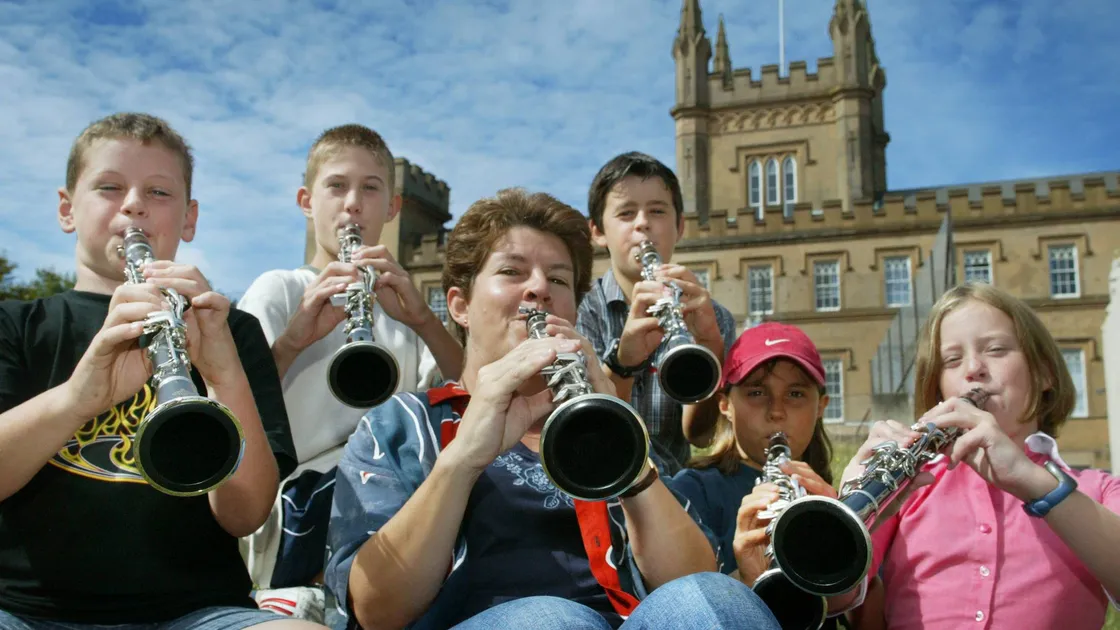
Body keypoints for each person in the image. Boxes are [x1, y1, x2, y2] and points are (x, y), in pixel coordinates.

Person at [323, 188, 779, 630]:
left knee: (718, 601)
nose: (539, 288)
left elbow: (694, 583)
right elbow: (376, 609)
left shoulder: (615, 429)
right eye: (512, 272)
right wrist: (461, 461)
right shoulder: (402, 422)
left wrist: (625, 449)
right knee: (555, 620)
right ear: (460, 305)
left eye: (558, 279)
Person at [0, 112, 319, 629]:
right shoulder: (17, 323)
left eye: (159, 192)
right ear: (67, 209)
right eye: (109, 186)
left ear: (189, 219)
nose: (133, 204)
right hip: (23, 612)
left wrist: (222, 373)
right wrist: (79, 397)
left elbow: (245, 515)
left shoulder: (230, 330)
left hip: (196, 612)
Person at [237, 124, 462, 617]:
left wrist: (423, 319)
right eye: (336, 186)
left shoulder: (404, 311)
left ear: (393, 208)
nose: (353, 204)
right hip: (292, 516)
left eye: (371, 188)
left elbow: (466, 400)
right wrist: (294, 339)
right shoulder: (278, 289)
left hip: (390, 513)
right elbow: (231, 414)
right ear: (306, 201)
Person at [847, 282, 1120, 629]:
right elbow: (831, 599)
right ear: (940, 390)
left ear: (1044, 373)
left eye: (995, 349)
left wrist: (1036, 483)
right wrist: (854, 502)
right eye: (952, 359)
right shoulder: (912, 487)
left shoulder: (1098, 490)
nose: (973, 367)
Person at [669, 322, 865, 628]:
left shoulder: (828, 494)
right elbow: (677, 609)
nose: (776, 411)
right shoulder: (691, 490)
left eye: (796, 394)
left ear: (821, 406)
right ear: (725, 405)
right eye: (757, 392)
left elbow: (865, 611)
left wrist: (843, 533)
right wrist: (745, 578)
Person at [576, 151, 736, 474]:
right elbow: (584, 433)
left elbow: (701, 436)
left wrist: (710, 350)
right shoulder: (579, 309)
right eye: (625, 213)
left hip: (675, 491)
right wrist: (623, 363)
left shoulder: (713, 317)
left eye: (657, 211)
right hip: (597, 480)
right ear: (597, 232)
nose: (643, 223)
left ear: (680, 226)